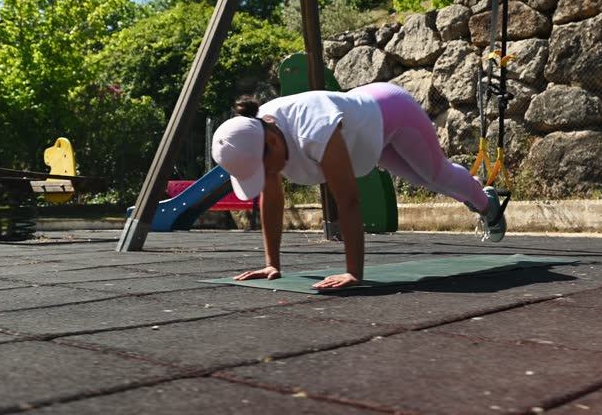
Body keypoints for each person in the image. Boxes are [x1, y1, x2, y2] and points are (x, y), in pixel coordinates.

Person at [211, 82, 506, 290]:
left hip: (392, 112)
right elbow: (272, 200)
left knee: (435, 175)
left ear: (272, 143)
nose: (266, 177)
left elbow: (349, 200)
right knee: (419, 177)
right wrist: (271, 264)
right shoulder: (258, 132)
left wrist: (354, 272)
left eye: (262, 170)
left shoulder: (313, 131)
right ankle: (472, 191)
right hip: (364, 132)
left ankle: (485, 203)